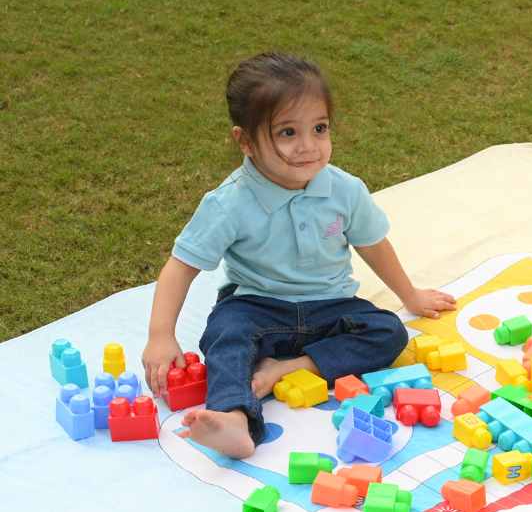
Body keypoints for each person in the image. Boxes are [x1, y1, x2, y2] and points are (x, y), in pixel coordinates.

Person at [141, 52, 455, 459]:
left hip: (331, 307)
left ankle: (289, 368)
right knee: (225, 338)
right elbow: (181, 267)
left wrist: (410, 296)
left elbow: (373, 244)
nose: (309, 147)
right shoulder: (228, 204)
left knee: (389, 332)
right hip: (258, 307)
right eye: (287, 133)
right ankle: (234, 419)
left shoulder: (345, 190)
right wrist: (160, 335)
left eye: (319, 128)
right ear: (246, 140)